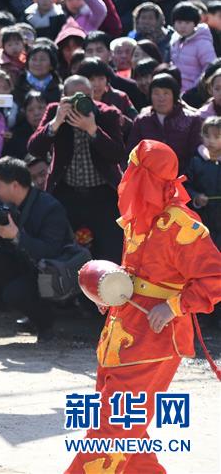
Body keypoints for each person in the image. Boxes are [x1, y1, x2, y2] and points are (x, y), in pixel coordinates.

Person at [64, 139, 221, 474]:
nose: (127, 176)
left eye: (135, 169)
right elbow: (133, 274)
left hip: (155, 336)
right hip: (122, 328)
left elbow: (214, 278)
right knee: (124, 424)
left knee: (110, 430)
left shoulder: (182, 225)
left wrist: (175, 305)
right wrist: (110, 292)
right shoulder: (139, 216)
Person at [0, 156, 70, 343]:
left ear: (14, 185)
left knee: (15, 292)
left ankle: (46, 325)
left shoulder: (49, 208)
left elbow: (52, 251)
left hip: (47, 273)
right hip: (17, 263)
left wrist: (17, 237)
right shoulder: (2, 202)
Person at [28, 76, 127, 262]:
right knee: (65, 251)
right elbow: (34, 148)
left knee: (110, 252)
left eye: (85, 96)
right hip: (67, 193)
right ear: (64, 97)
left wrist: (93, 130)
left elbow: (117, 154)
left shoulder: (107, 114)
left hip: (103, 195)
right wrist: (56, 123)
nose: (80, 101)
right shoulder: (54, 112)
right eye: (74, 97)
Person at [128, 73, 202, 172]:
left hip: (183, 177)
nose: (161, 98)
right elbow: (133, 152)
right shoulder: (142, 121)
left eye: (166, 93)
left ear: (174, 95)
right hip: (150, 177)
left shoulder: (192, 119)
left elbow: (195, 153)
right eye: (156, 93)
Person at [185, 116, 221, 244]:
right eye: (207, 136)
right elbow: (185, 186)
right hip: (202, 221)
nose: (211, 141)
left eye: (216, 137)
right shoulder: (195, 161)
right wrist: (196, 197)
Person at [169, 1, 215, 92]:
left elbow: (209, 68)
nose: (182, 26)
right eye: (179, 22)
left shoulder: (203, 43)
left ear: (195, 23)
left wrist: (195, 88)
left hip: (195, 92)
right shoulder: (174, 40)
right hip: (176, 90)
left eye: (187, 22)